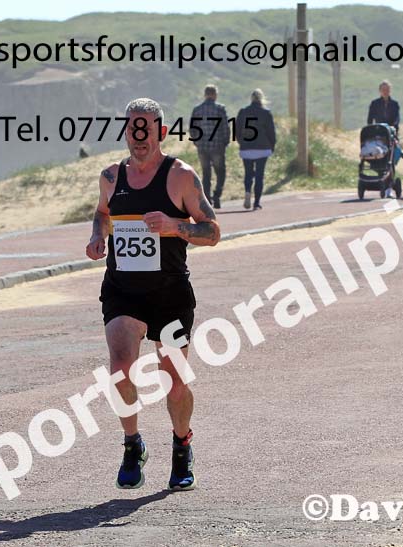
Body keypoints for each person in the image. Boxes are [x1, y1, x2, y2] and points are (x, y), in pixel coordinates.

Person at [85, 98, 221, 491]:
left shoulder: (180, 177)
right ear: (126, 132)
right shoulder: (111, 176)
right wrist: (97, 236)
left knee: (173, 381)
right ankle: (132, 445)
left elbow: (213, 232)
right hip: (123, 290)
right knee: (119, 369)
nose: (139, 137)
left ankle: (182, 445)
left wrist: (175, 227)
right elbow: (102, 213)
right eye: (133, 129)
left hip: (170, 293)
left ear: (160, 132)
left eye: (146, 129)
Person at [236, 89, 276, 211]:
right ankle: (257, 202)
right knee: (259, 175)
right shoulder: (266, 113)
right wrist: (272, 145)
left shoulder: (243, 112)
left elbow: (237, 130)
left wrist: (241, 142)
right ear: (262, 98)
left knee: (248, 173)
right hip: (262, 148)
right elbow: (271, 132)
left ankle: (248, 191)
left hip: (246, 148)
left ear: (251, 98)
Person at [191, 84, 230, 209]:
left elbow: (192, 129)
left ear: (205, 94)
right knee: (220, 172)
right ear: (214, 94)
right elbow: (225, 127)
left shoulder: (197, 110)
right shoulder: (220, 109)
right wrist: (225, 142)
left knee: (206, 174)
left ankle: (207, 199)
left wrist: (197, 142)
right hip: (217, 146)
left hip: (202, 147)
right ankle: (217, 195)